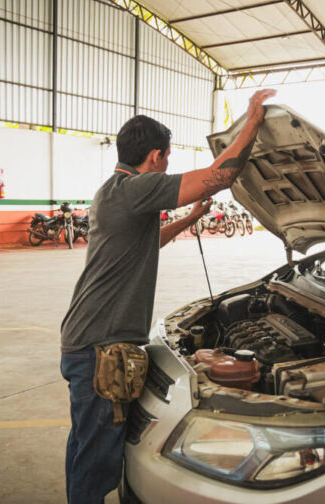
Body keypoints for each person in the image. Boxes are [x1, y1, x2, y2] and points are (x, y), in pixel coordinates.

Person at [59, 88, 276, 504]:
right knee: (96, 461)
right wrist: (252, 120)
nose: (168, 165)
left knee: (86, 446)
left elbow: (146, 242)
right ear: (156, 156)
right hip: (99, 346)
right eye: (169, 157)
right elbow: (221, 175)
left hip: (86, 340)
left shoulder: (114, 192)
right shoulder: (139, 189)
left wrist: (190, 219)